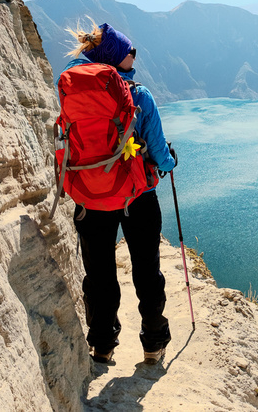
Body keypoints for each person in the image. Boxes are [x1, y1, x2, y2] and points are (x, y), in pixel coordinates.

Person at [62, 21, 177, 364]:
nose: (134, 56)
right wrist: (170, 161)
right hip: (136, 197)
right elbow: (159, 154)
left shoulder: (72, 91)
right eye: (131, 50)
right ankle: (153, 344)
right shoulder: (139, 95)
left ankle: (102, 345)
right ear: (116, 55)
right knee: (146, 270)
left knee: (99, 275)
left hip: (89, 195)